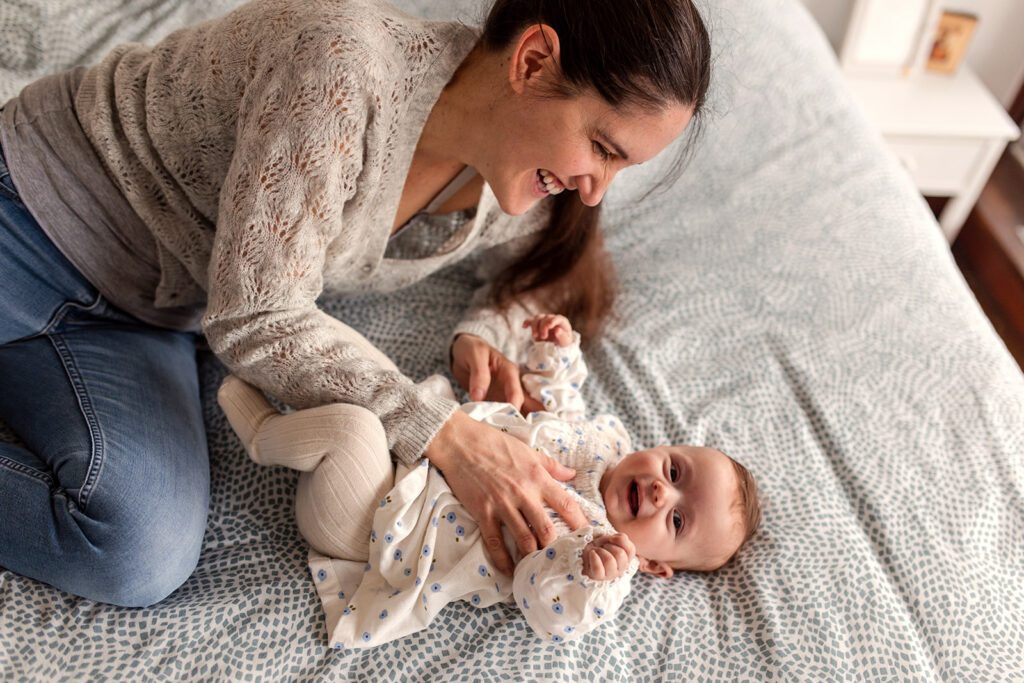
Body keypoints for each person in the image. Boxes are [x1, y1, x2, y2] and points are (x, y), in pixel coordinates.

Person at [0, 0, 711, 606]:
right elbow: (253, 313)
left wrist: (482, 330)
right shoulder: (343, 70)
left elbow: (536, 275)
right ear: (531, 61)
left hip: (146, 319)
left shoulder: (514, 191)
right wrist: (447, 435)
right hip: (36, 212)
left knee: (139, 549)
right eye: (603, 148)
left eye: (621, 168)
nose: (596, 191)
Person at [217, 312, 761, 648]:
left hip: (377, 523)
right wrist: (555, 354)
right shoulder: (604, 448)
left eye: (678, 518)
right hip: (419, 440)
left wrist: (592, 575)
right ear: (663, 448)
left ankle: (264, 432)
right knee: (356, 359)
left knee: (354, 427)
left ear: (654, 565)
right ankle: (262, 326)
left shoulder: (594, 549)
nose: (664, 492)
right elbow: (561, 407)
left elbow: (549, 607)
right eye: (674, 470)